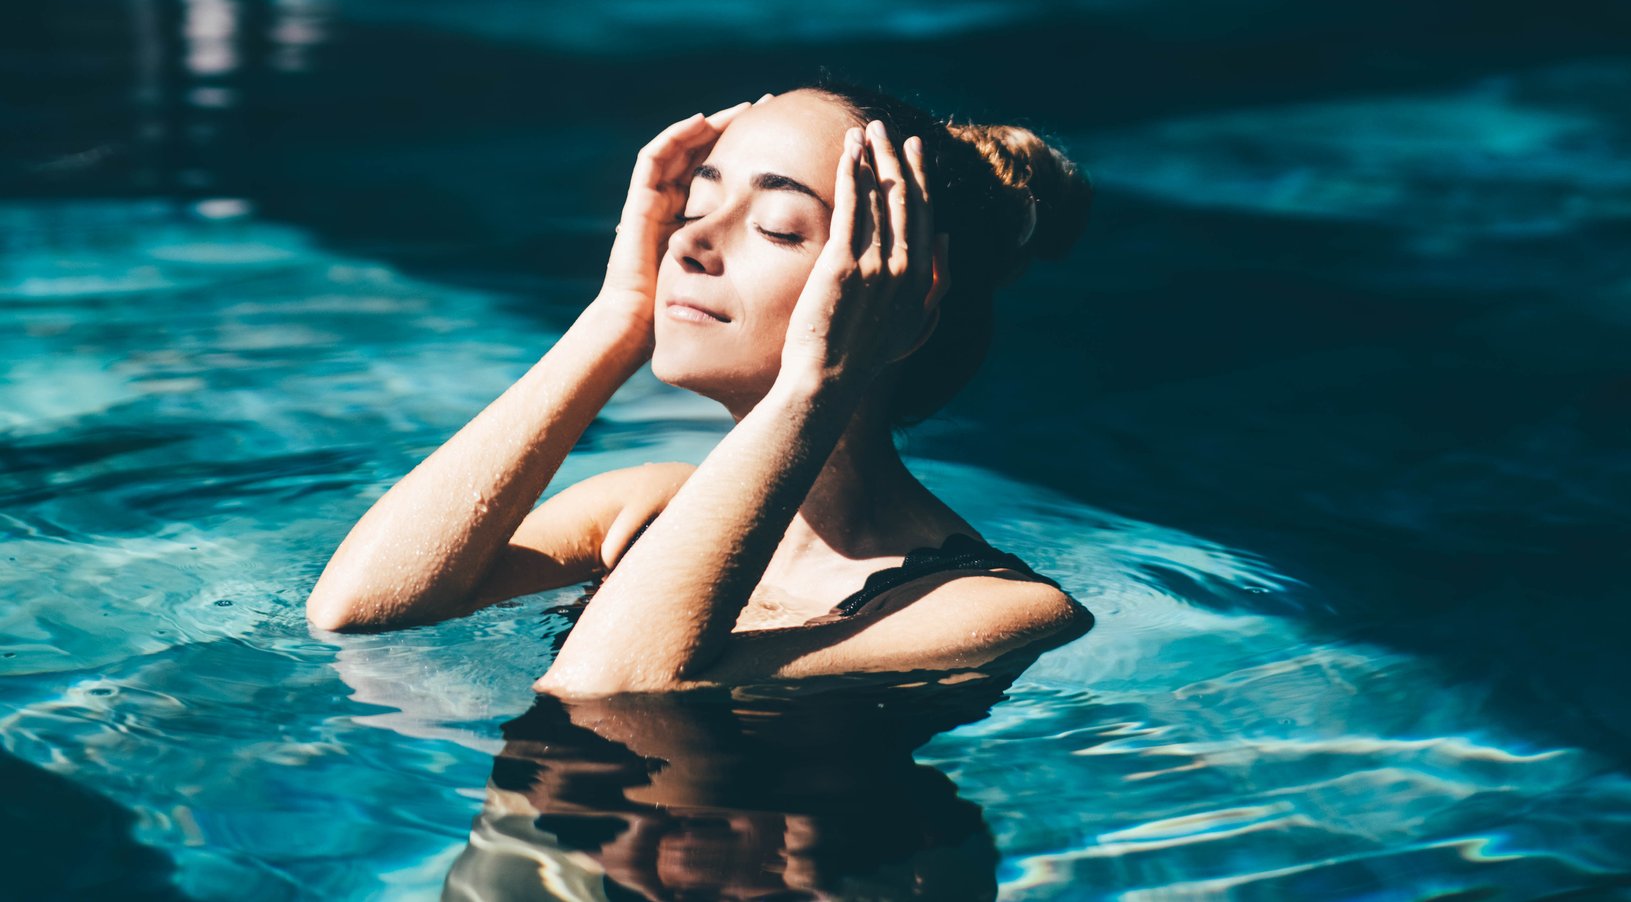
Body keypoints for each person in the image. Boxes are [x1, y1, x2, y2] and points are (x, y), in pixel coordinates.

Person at [305, 73, 1095, 698]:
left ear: (903, 292)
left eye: (778, 228)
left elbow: (604, 692)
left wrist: (815, 386)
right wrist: (616, 319)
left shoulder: (993, 608)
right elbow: (358, 612)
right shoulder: (642, 507)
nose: (692, 240)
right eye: (699, 200)